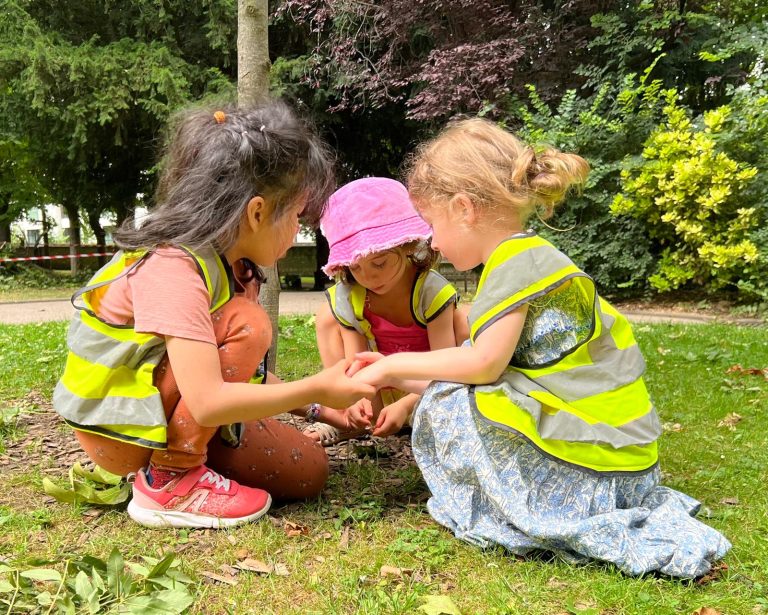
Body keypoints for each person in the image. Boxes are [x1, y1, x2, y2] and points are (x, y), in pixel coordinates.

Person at [350, 118, 730, 578]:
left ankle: (519, 502)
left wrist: (393, 367)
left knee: (451, 404)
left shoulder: (514, 265)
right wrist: (392, 370)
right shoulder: (526, 255)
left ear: (463, 208)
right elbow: (486, 371)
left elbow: (483, 366)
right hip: (624, 466)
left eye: (432, 225)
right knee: (451, 390)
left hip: (598, 471)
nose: (431, 242)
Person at [52, 101, 374, 529]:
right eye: (296, 216)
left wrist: (325, 409)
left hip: (170, 413)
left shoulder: (235, 266)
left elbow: (233, 371)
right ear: (257, 212)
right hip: (121, 432)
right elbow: (206, 399)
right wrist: (317, 385)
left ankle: (190, 460)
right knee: (248, 324)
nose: (298, 230)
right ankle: (170, 480)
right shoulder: (173, 265)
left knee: (309, 469)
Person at [308, 177, 467, 445]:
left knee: (464, 322)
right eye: (355, 268)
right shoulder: (352, 295)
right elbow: (356, 364)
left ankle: (424, 418)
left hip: (425, 389)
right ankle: (347, 418)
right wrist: (358, 401)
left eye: (379, 263)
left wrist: (405, 405)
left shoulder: (431, 292)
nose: (368, 277)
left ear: (407, 245)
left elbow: (446, 369)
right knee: (327, 316)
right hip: (376, 391)